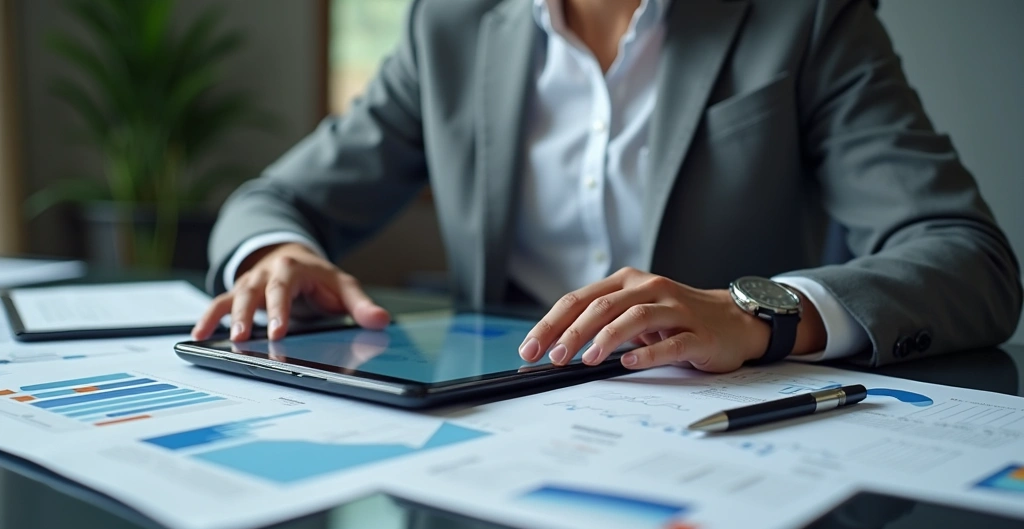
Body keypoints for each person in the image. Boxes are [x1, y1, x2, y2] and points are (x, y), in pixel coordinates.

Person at [191, 0, 1022, 373]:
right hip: (492, 441)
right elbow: (273, 200)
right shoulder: (449, 26)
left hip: (723, 439)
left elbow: (969, 259)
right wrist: (276, 252)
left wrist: (753, 311)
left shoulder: (805, 18)